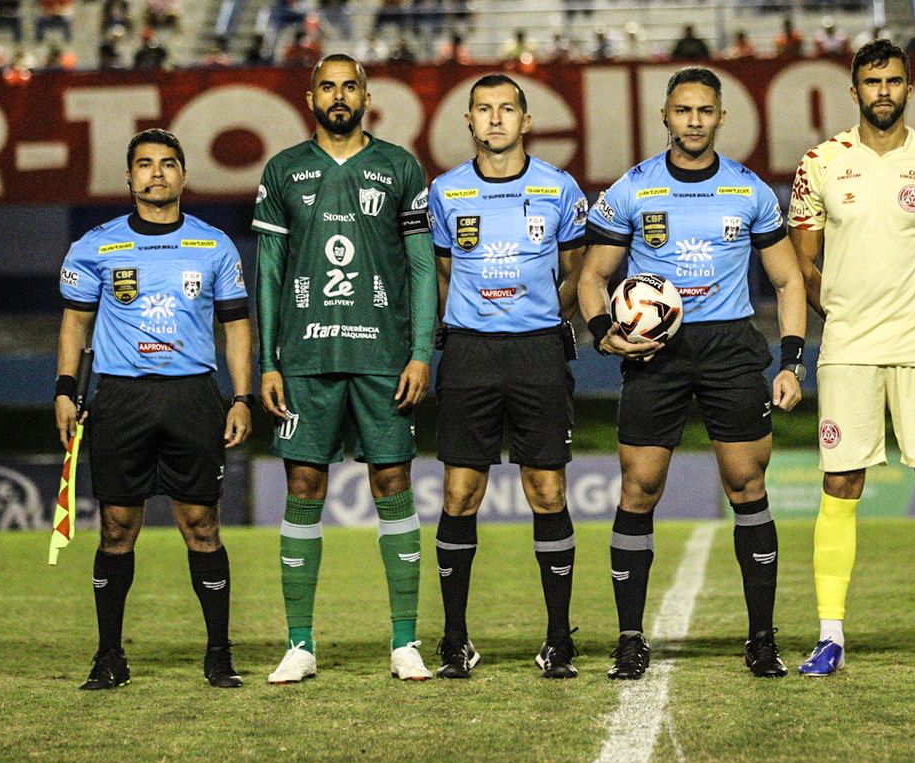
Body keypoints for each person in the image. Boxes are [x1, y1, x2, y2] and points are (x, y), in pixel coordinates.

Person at [578, 66, 806, 680]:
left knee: (747, 486)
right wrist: (605, 334)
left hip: (731, 346)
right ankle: (630, 639)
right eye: (683, 111)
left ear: (722, 118)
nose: (695, 121)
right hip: (658, 352)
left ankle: (762, 640)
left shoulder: (750, 190)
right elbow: (592, 278)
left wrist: (791, 360)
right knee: (638, 488)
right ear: (666, 117)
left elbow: (788, 281)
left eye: (706, 111)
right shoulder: (634, 188)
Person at [786, 39, 915, 677]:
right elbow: (803, 264)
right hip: (847, 347)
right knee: (841, 483)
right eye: (872, 82)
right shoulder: (819, 164)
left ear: (909, 88)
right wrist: (842, 316)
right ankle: (829, 637)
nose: (883, 92)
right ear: (854, 91)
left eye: (894, 81)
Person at [253, 55, 437, 684]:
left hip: (384, 359)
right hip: (305, 359)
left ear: (366, 95)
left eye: (349, 86)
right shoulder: (283, 171)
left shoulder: (399, 167)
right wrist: (267, 363)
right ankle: (300, 644)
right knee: (304, 487)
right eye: (327, 87)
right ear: (311, 98)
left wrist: (420, 352)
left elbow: (420, 267)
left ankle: (405, 642)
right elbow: (270, 274)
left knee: (393, 484)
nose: (338, 96)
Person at [55, 129, 254, 690]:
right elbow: (75, 323)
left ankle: (219, 654)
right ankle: (110, 656)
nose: (157, 173)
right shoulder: (95, 246)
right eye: (144, 164)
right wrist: (65, 389)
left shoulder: (214, 245)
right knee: (117, 527)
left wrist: (240, 396)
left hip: (193, 396)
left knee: (202, 525)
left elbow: (236, 325)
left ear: (184, 176)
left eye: (168, 164)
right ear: (129, 177)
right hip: (120, 398)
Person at [426, 74, 589, 679]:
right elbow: (441, 276)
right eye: (484, 110)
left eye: (507, 109)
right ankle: (455, 640)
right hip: (469, 355)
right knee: (458, 494)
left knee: (547, 491)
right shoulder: (445, 193)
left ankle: (557, 640)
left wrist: (543, 319)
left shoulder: (558, 187)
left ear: (526, 121)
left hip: (537, 355)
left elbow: (575, 271)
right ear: (468, 122)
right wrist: (473, 319)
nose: (495, 119)